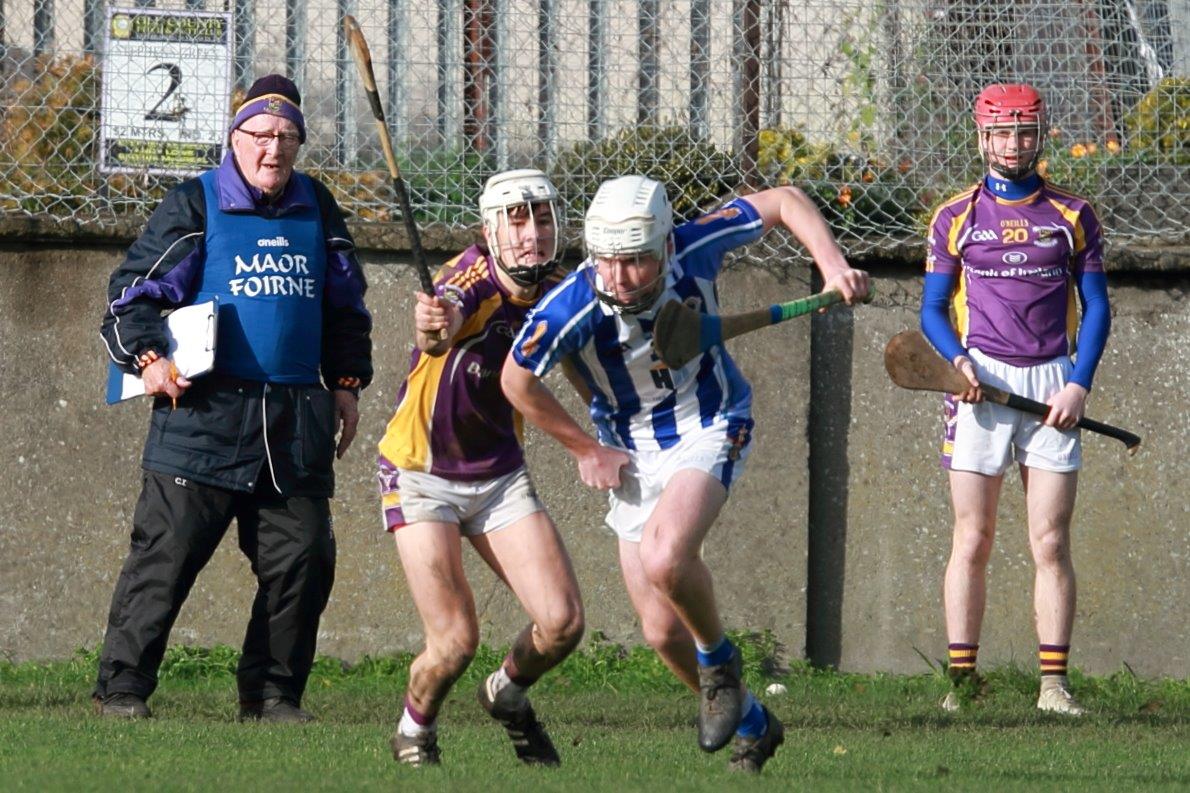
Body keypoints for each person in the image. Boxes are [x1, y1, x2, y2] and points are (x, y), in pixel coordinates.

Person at [501, 175, 869, 773]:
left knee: (666, 556)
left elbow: (783, 200)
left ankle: (720, 664)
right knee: (660, 632)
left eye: (637, 262)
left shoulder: (695, 245)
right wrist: (583, 449)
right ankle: (754, 724)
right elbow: (515, 381)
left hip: (711, 423)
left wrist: (833, 266)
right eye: (610, 262)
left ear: (667, 247)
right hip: (629, 451)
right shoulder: (572, 305)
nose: (621, 278)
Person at [95, 74, 373, 723]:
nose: (272, 150)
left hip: (296, 423)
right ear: (234, 139)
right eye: (259, 136)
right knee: (164, 560)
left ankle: (272, 694)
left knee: (304, 559)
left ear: (299, 143)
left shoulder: (318, 207)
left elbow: (346, 307)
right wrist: (150, 359)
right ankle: (123, 688)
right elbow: (131, 291)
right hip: (202, 419)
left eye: (286, 137)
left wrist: (349, 383)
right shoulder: (195, 204)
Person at [377, 169, 583, 767]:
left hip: (498, 475)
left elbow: (575, 352)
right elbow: (439, 328)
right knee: (454, 642)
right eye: (516, 222)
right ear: (491, 230)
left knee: (562, 623)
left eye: (541, 219)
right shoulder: (468, 280)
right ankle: (415, 730)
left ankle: (508, 693)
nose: (531, 234)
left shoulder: (560, 288)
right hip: (420, 471)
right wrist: (430, 327)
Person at [921, 83, 1110, 715]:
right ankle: (961, 685)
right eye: (1002, 133)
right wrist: (959, 362)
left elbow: (1099, 306)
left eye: (1025, 132)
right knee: (971, 538)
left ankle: (1053, 687)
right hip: (979, 386)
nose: (1013, 145)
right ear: (981, 136)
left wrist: (1078, 382)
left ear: (1041, 134)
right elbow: (931, 310)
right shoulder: (956, 217)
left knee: (1050, 543)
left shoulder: (1073, 214)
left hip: (1051, 382)